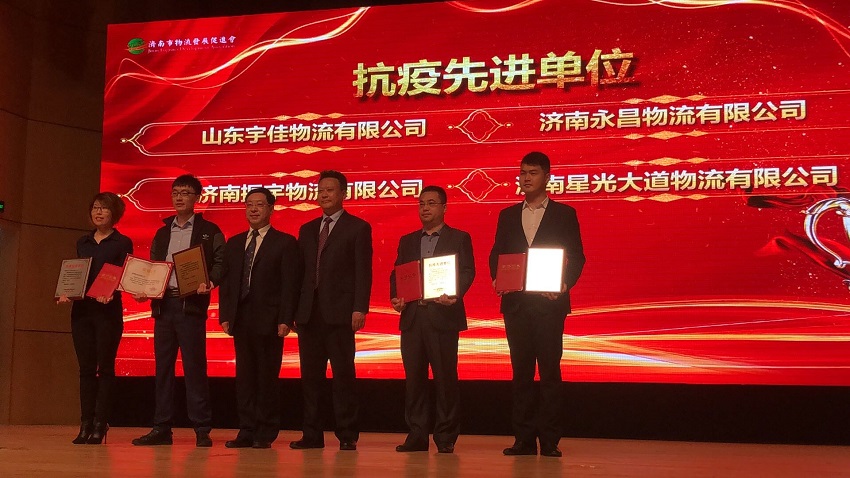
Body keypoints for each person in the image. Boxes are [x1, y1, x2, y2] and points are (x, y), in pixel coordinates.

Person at [488, 152, 586, 458]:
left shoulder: (564, 214)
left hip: (548, 304)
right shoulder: (507, 215)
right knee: (521, 374)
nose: (526, 178)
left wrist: (563, 284)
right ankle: (523, 439)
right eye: (522, 173)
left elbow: (577, 256)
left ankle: (550, 440)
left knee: (549, 373)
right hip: (516, 304)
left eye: (532, 172)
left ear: (547, 177)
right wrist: (498, 278)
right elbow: (497, 254)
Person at [132, 174, 225, 448]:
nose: (179, 197)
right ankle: (162, 427)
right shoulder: (162, 232)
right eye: (175, 192)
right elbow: (154, 267)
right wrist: (145, 289)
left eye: (185, 192)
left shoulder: (209, 230)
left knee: (195, 368)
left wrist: (211, 282)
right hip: (164, 307)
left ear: (197, 198)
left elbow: (221, 262)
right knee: (163, 369)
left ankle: (202, 428)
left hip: (190, 306)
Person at [290, 170, 372, 451]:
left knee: (343, 378)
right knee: (310, 380)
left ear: (343, 194)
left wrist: (359, 308)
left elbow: (363, 272)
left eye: (330, 190)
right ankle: (312, 435)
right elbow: (299, 273)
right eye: (320, 190)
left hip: (340, 314)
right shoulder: (307, 229)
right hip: (308, 314)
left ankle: (347, 434)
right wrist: (293, 311)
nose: (324, 195)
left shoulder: (358, 227)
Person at [389, 185, 475, 454]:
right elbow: (397, 274)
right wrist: (396, 297)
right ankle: (417, 435)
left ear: (444, 208)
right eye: (421, 203)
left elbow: (467, 271)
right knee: (414, 380)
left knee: (445, 380)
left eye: (431, 203)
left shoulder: (459, 237)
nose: (425, 208)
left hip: (443, 316)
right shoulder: (407, 240)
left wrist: (455, 293)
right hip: (413, 318)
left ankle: (445, 436)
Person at [219, 187, 302, 449]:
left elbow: (290, 284)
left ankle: (266, 431)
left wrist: (286, 318)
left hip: (270, 319)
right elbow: (228, 284)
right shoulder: (234, 243)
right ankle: (246, 429)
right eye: (249, 205)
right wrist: (225, 315)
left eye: (259, 205)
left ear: (271, 209)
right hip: (241, 319)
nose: (253, 209)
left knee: (267, 378)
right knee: (244, 378)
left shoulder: (285, 242)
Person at [58, 192, 133, 444]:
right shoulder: (83, 241)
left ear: (115, 213)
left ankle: (101, 423)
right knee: (86, 369)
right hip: (82, 312)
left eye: (104, 208)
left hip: (107, 312)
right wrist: (67, 291)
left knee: (106, 368)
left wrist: (111, 292)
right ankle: (85, 423)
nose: (98, 212)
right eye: (95, 208)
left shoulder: (122, 242)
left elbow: (123, 275)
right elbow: (77, 274)